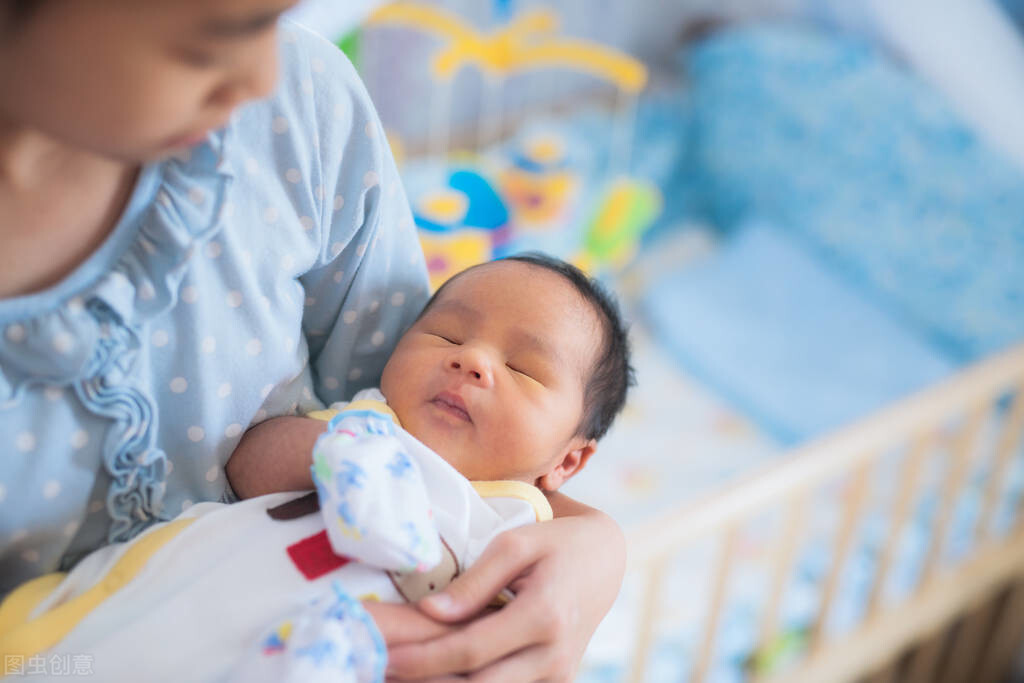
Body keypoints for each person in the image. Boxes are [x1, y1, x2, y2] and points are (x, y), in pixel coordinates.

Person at [0, 1, 626, 679]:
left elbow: (463, 453)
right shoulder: (358, 429)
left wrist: (598, 545)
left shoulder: (301, 113)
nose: (262, 73)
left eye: (277, 17)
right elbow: (274, 454)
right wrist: (339, 454)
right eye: (214, 39)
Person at [0, 254, 633, 681]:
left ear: (569, 459)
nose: (472, 361)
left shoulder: (520, 530)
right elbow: (250, 463)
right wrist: (335, 455)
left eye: (523, 369)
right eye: (446, 335)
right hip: (144, 615)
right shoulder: (364, 423)